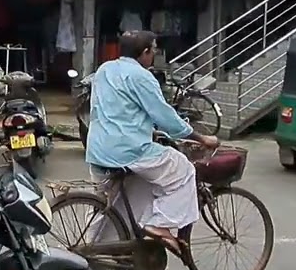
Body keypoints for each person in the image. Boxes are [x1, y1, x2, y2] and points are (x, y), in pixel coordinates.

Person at [85, 30, 219, 253]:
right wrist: (200, 137)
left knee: (104, 205)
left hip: (98, 149)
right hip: (129, 151)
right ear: (145, 52)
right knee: (184, 170)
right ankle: (159, 224)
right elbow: (166, 117)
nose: (155, 54)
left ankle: (90, 251)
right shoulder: (142, 77)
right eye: (153, 49)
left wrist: (148, 129)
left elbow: (119, 109)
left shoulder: (104, 70)